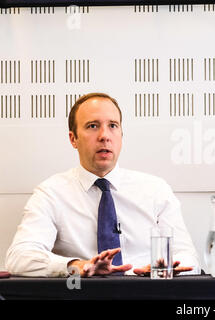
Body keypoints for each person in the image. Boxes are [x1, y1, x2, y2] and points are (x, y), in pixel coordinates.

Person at [6, 93, 200, 277]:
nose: (104, 136)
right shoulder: (51, 193)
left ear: (121, 136)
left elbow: (188, 256)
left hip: (146, 293)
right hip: (82, 294)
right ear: (73, 138)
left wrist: (162, 267)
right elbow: (20, 257)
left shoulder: (155, 190)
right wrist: (76, 266)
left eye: (113, 126)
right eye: (92, 126)